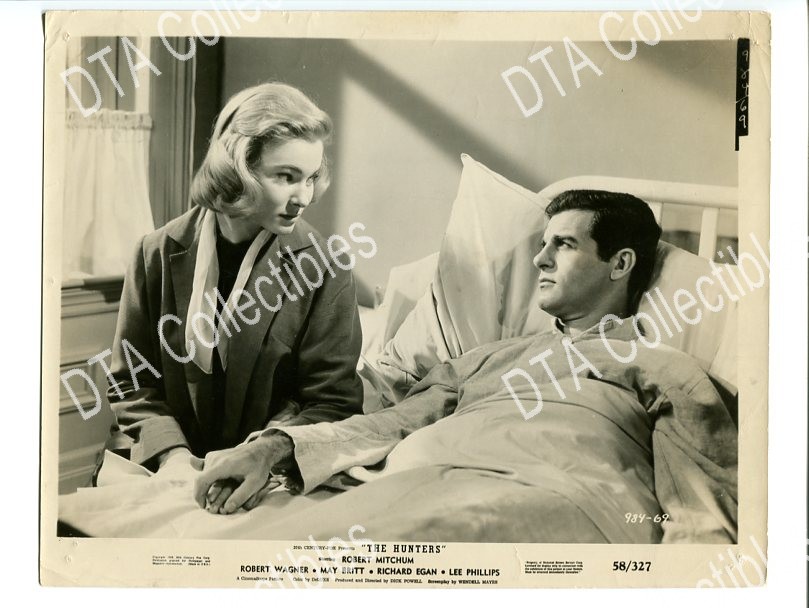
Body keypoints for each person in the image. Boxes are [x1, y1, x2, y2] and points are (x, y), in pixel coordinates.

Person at [192, 191, 737, 544]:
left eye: (564, 244)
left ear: (621, 263)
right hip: (416, 483)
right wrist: (273, 448)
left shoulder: (663, 368)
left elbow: (701, 511)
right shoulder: (486, 358)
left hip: (545, 496)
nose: (540, 259)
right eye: (542, 243)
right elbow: (391, 424)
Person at [105, 83, 364, 511]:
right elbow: (132, 383)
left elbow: (332, 401)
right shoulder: (155, 253)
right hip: (162, 466)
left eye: (311, 178)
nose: (304, 197)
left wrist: (262, 453)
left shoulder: (326, 266)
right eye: (286, 177)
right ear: (238, 169)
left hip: (267, 477)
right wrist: (172, 457)